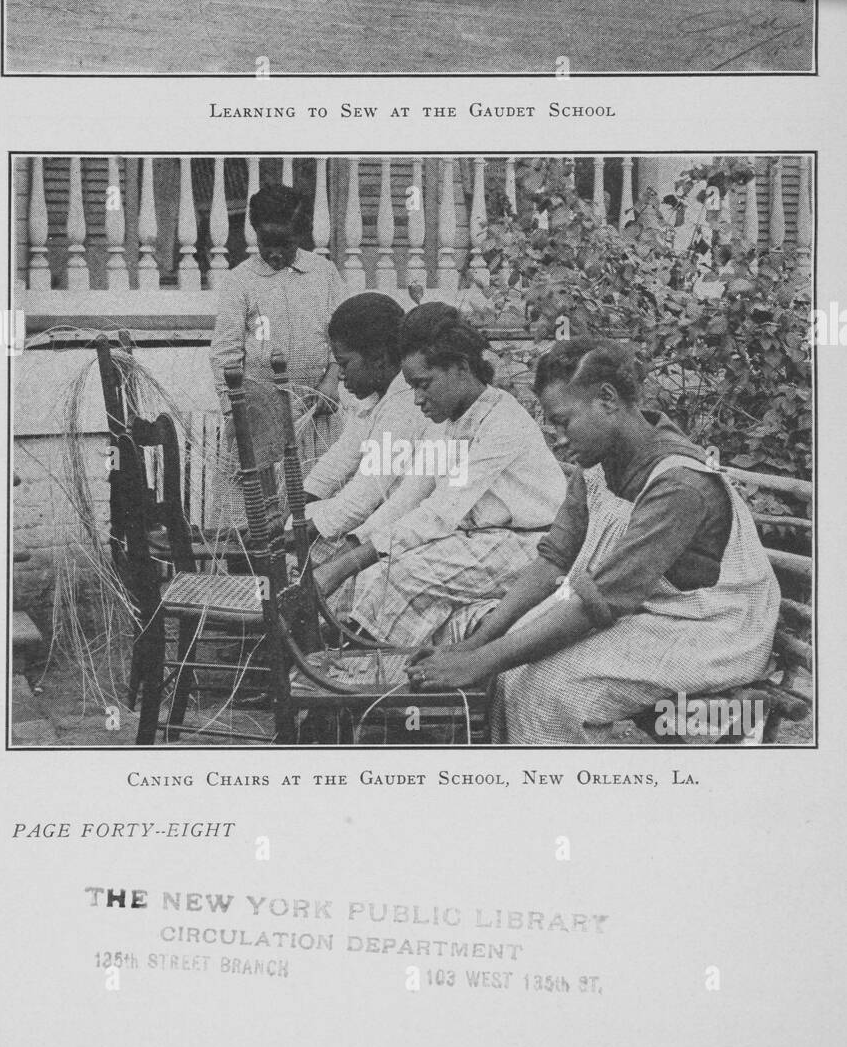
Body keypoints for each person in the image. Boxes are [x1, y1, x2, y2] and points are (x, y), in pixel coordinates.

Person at [407, 337, 781, 744]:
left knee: (547, 691)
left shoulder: (679, 484)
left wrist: (480, 660)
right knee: (511, 672)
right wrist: (477, 646)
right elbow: (553, 561)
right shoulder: (598, 468)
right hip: (648, 612)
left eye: (562, 421)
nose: (557, 438)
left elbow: (598, 602)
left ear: (607, 399)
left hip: (713, 630)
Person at [311, 303, 568, 647]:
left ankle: (363, 677)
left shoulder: (501, 423)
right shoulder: (447, 422)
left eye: (424, 384)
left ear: (461, 368)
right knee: (372, 574)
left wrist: (346, 564)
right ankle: (345, 662)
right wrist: (349, 550)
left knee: (402, 576)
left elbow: (439, 513)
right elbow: (408, 499)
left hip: (533, 547)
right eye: (412, 387)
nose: (417, 399)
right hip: (480, 539)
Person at [208, 182, 346, 535]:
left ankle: (311, 585)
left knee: (312, 516)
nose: (274, 251)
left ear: (300, 233)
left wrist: (332, 379)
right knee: (253, 519)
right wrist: (238, 413)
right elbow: (225, 353)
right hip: (256, 419)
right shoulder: (241, 281)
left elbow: (342, 335)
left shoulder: (324, 274)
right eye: (266, 241)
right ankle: (248, 586)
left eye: (284, 242)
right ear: (254, 232)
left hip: (314, 415)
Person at [300, 292, 428, 547]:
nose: (342, 377)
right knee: (301, 524)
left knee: (310, 541)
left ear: (378, 359)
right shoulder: (374, 398)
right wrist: (294, 511)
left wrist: (295, 534)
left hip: (407, 522)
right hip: (380, 512)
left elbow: (364, 496)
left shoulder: (406, 404)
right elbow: (341, 457)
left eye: (344, 364)